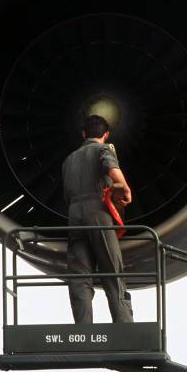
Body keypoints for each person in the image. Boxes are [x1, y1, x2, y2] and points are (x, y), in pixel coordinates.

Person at [61, 114, 134, 324]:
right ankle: (125, 325)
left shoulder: (69, 160)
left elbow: (66, 195)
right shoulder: (104, 150)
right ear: (106, 134)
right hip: (98, 211)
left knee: (79, 275)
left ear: (84, 134)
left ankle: (83, 331)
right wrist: (125, 189)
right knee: (112, 271)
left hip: (74, 215)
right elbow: (112, 169)